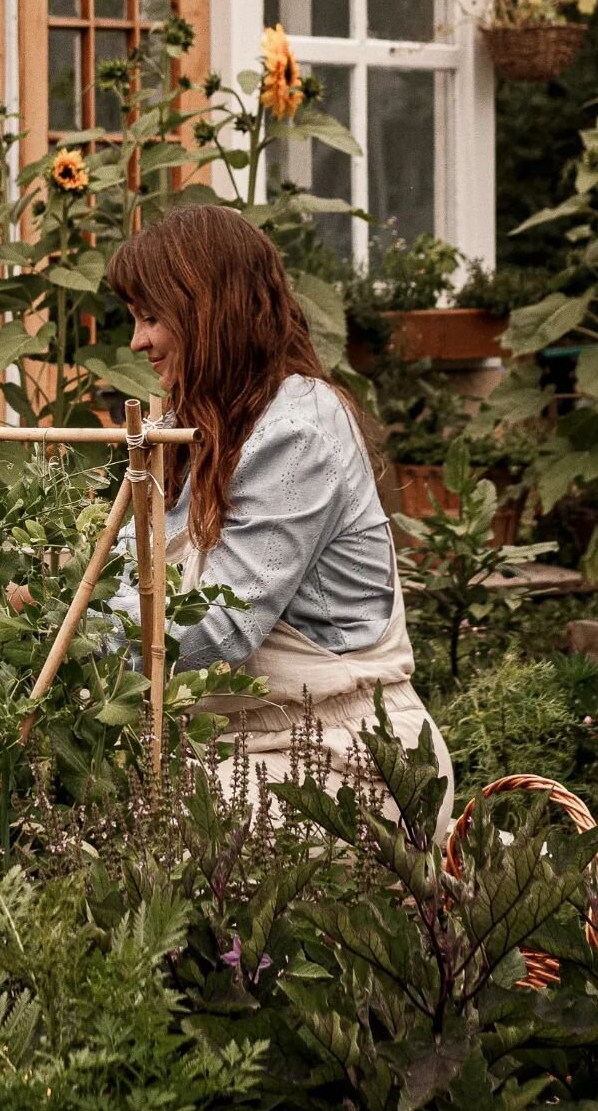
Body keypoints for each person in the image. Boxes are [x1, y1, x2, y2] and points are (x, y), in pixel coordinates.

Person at [105, 203, 453, 831]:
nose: (137, 342)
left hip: (347, 760)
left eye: (151, 317)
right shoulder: (195, 429)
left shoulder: (295, 431)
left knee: (139, 842)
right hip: (243, 750)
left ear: (206, 310)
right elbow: (129, 582)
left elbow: (215, 628)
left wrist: (65, 626)